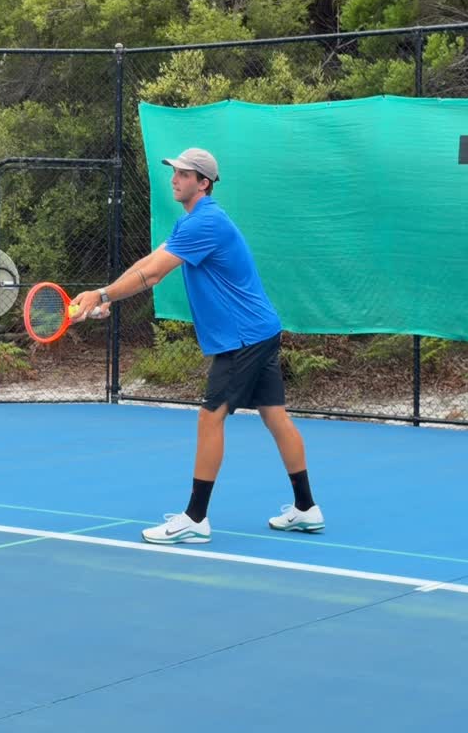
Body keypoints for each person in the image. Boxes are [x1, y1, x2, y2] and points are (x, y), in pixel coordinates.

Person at [70, 147, 324, 545]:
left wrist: (102, 293)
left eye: (184, 174)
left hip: (244, 338)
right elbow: (147, 263)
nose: (174, 178)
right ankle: (307, 509)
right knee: (275, 417)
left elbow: (151, 275)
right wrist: (103, 301)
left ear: (203, 182)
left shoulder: (205, 223)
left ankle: (195, 518)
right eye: (174, 172)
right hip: (259, 330)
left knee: (210, 417)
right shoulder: (191, 222)